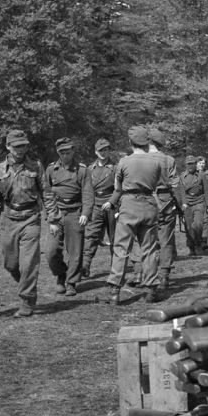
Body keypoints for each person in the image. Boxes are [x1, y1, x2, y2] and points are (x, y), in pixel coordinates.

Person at [0, 129, 59, 317]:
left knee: (28, 264)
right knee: (11, 264)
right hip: (9, 220)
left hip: (31, 219)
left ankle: (27, 300)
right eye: (16, 146)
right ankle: (25, 284)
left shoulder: (36, 166)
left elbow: (47, 194)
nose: (20, 149)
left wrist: (53, 219)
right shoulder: (0, 169)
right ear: (8, 146)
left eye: (24, 145)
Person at [104, 126, 167, 305]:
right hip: (148, 204)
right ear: (146, 142)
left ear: (131, 142)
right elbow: (156, 183)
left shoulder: (123, 162)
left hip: (129, 205)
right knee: (149, 248)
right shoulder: (156, 162)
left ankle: (115, 291)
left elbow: (118, 187)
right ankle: (150, 290)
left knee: (121, 248)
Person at [43, 137, 87, 296]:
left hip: (75, 212)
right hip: (57, 212)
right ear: (58, 153)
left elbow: (87, 194)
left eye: (68, 151)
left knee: (75, 251)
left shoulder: (82, 170)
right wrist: (51, 217)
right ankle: (61, 274)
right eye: (62, 152)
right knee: (51, 251)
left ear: (73, 151)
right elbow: (46, 193)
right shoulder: (50, 170)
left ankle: (71, 282)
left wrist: (85, 213)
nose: (65, 155)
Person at [148, 127, 180, 290]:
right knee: (166, 237)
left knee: (146, 238)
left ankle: (145, 274)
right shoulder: (169, 160)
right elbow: (175, 183)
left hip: (146, 199)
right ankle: (164, 274)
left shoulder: (142, 158)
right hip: (166, 199)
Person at [80, 138, 116, 277]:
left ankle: (115, 268)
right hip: (95, 204)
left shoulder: (115, 168)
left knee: (115, 238)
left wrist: (112, 202)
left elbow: (120, 188)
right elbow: (86, 189)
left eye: (106, 149)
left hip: (112, 205)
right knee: (91, 236)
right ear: (96, 152)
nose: (103, 152)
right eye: (100, 150)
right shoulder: (89, 169)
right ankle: (85, 266)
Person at [179, 155, 208, 256]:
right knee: (189, 227)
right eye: (188, 164)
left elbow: (207, 191)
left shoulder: (201, 175)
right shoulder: (182, 176)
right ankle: (191, 247)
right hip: (188, 204)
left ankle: (198, 244)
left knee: (198, 224)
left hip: (199, 202)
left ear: (195, 164)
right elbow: (182, 191)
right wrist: (184, 203)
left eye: (192, 164)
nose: (190, 166)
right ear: (186, 165)